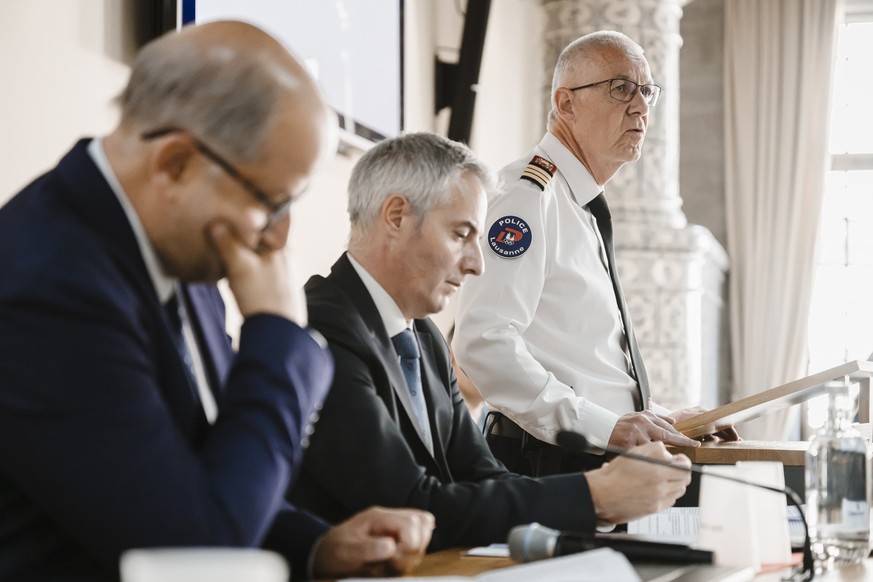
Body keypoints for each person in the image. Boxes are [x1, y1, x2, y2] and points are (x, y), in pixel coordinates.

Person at [0, 21, 433, 581]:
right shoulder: (49, 288)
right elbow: (195, 549)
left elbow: (197, 475)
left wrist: (317, 545)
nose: (278, 237)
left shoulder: (179, 248)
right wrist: (279, 332)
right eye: (272, 203)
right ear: (175, 163)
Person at [290, 132, 691, 550]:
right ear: (396, 217)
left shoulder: (424, 337)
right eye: (461, 234)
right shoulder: (320, 329)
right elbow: (411, 506)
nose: (477, 264)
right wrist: (595, 496)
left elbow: (483, 476)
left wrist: (603, 503)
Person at [452, 31, 738, 476]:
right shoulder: (528, 198)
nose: (641, 107)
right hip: (547, 461)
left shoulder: (579, 203)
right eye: (621, 88)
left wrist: (660, 419)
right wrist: (604, 428)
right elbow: (482, 341)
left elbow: (587, 364)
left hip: (588, 457)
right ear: (566, 104)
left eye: (647, 91)